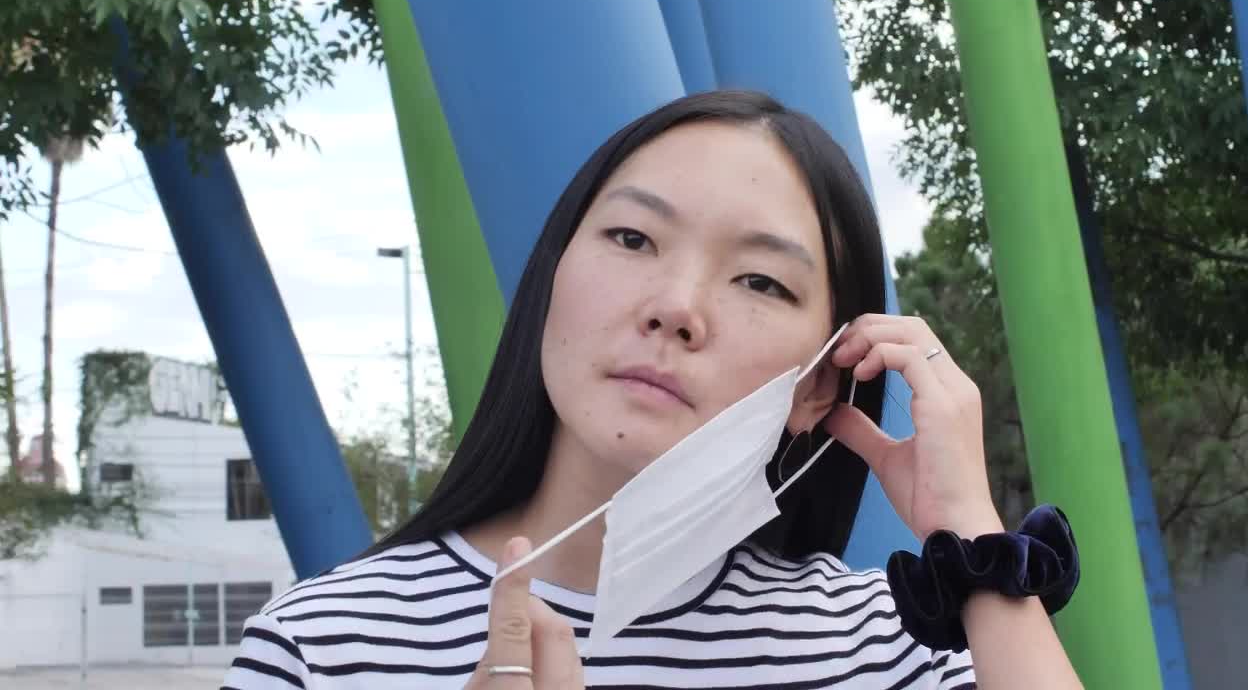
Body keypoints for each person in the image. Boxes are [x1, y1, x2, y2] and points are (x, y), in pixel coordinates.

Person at [223, 90, 1083, 689]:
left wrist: (970, 535)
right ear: (552, 279)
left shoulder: (885, 649)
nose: (675, 308)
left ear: (823, 382)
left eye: (760, 282)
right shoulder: (327, 646)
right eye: (632, 237)